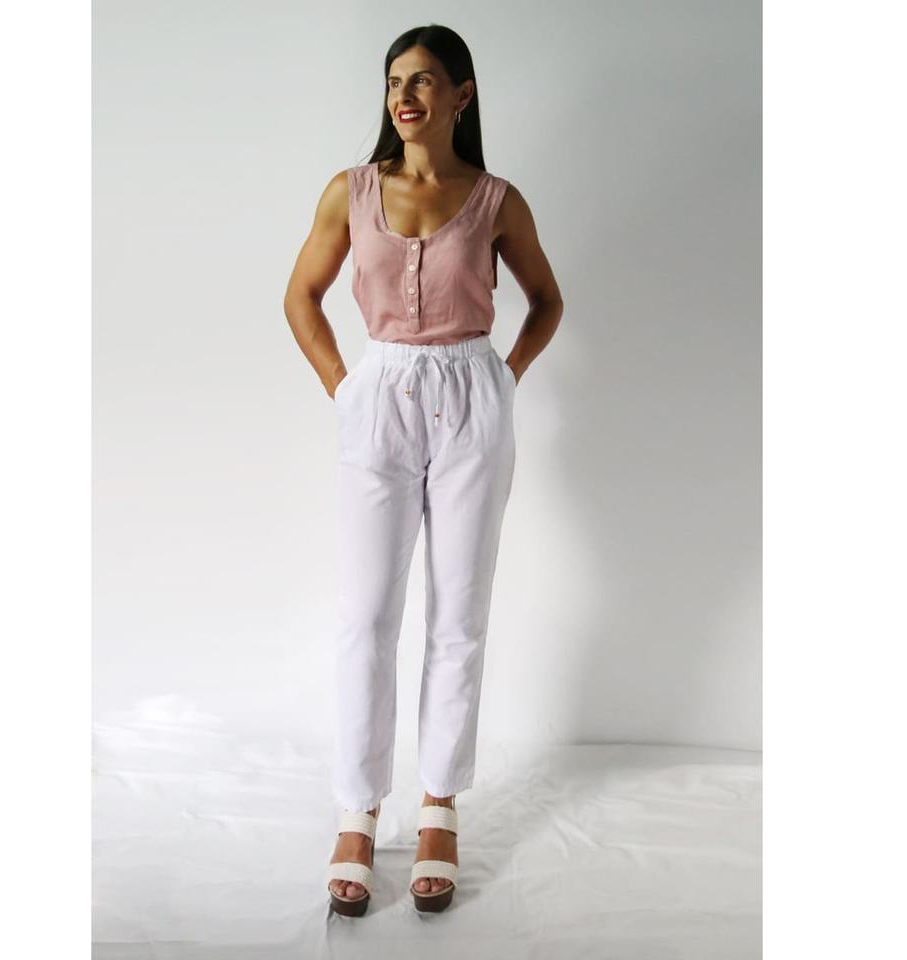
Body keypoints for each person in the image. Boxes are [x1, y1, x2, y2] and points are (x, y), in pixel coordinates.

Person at [283, 24, 563, 915]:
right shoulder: (352, 191)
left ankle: (439, 804)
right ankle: (357, 811)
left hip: (473, 397)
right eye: (394, 81)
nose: (404, 96)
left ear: (462, 95)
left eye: (424, 80)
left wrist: (504, 378)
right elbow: (301, 296)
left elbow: (547, 301)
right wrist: (344, 388)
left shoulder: (496, 200)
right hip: (381, 397)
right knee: (366, 615)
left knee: (458, 616)